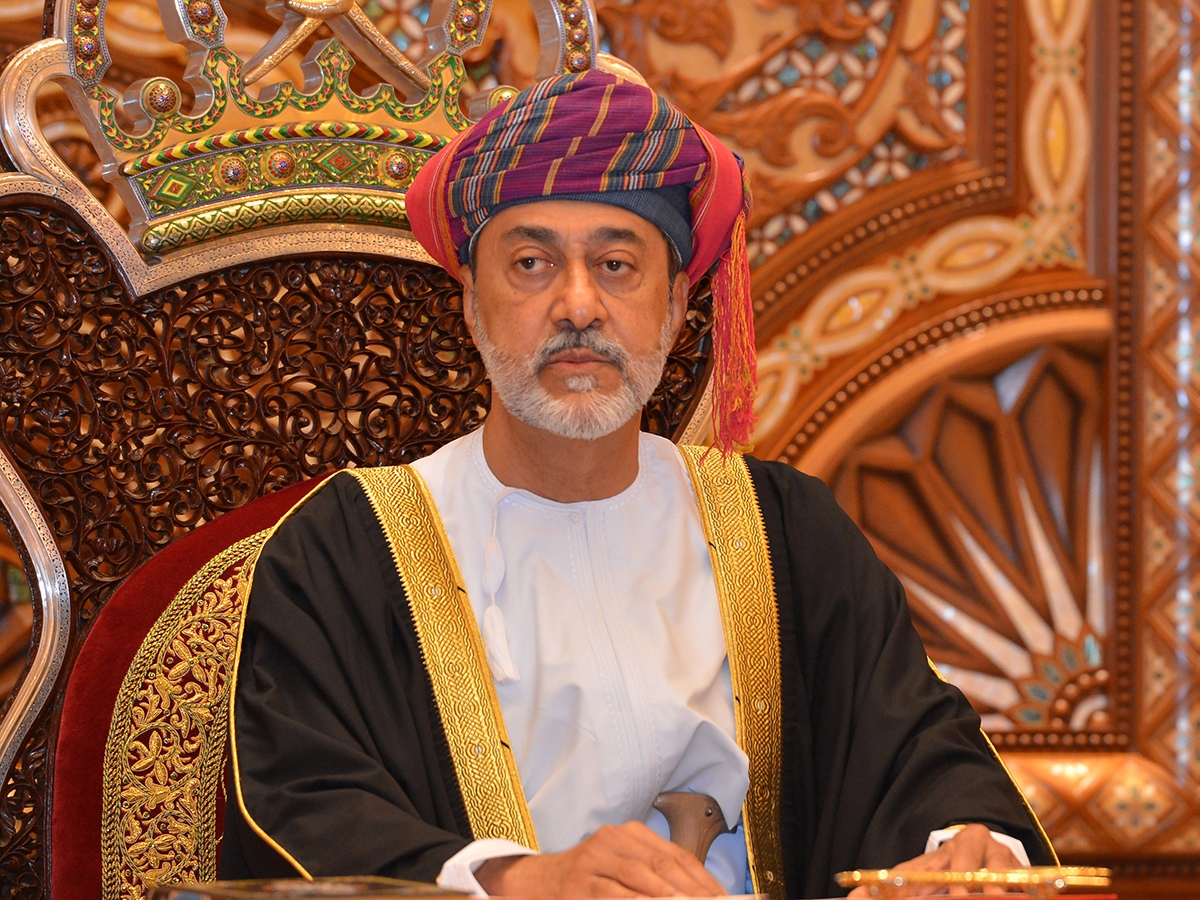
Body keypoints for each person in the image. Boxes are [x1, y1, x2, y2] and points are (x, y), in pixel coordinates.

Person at [219, 69, 1057, 898]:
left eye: (617, 264)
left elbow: (916, 747)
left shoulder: (785, 530)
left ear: (677, 304)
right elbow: (303, 807)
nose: (578, 305)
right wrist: (523, 882)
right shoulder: (346, 550)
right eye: (532, 263)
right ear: (471, 303)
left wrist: (965, 846)